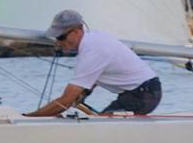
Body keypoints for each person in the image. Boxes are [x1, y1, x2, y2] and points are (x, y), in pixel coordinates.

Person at [24, 10, 162, 117]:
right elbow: (92, 80)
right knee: (101, 122)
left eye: (61, 37)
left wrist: (30, 117)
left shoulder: (92, 50)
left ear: (77, 31)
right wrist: (80, 98)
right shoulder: (94, 39)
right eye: (56, 38)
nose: (58, 43)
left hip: (143, 94)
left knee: (103, 128)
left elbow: (66, 100)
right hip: (141, 92)